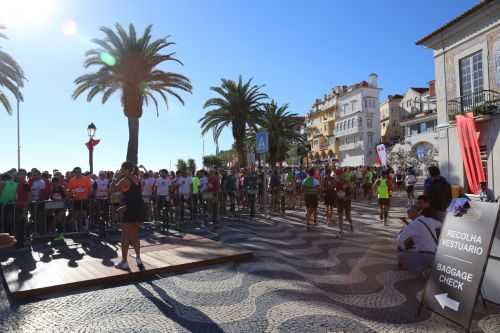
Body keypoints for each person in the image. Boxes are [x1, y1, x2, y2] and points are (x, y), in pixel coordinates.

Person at [111, 162, 146, 270]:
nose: (121, 171)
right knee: (135, 235)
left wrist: (114, 178)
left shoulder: (124, 180)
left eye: (122, 169)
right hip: (138, 209)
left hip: (130, 210)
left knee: (125, 236)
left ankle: (124, 261)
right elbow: (134, 195)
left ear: (126, 170)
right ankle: (138, 258)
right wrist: (126, 205)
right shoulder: (136, 179)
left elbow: (113, 190)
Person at [397, 205, 442, 276]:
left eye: (409, 214)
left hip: (424, 255)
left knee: (401, 255)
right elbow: (440, 224)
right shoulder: (430, 220)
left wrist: (404, 247)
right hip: (435, 256)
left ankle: (422, 271)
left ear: (413, 214)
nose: (408, 216)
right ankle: (430, 268)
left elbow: (400, 239)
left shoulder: (413, 224)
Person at [68, 167, 91, 232]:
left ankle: (86, 228)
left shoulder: (85, 178)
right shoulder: (72, 180)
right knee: (76, 214)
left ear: (81, 172)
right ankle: (76, 229)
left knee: (84, 213)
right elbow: (70, 189)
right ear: (74, 173)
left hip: (84, 199)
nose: (78, 173)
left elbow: (89, 188)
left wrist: (85, 191)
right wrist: (74, 191)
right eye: (76, 172)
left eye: (79, 172)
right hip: (76, 199)